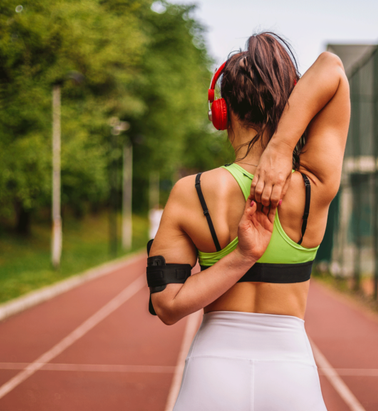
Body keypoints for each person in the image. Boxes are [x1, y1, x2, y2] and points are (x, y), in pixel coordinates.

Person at [147, 32, 350, 411]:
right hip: (292, 372)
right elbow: (331, 68)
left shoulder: (191, 191)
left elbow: (167, 307)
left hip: (212, 371)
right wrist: (282, 147)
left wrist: (242, 256)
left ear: (221, 112)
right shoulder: (314, 184)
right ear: (290, 104)